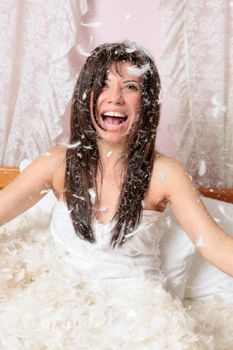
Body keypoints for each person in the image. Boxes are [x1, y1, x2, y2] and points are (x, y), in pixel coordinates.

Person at [0, 41, 232, 349]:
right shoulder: (56, 163)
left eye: (131, 86)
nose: (115, 97)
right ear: (87, 97)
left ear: (146, 102)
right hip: (62, 310)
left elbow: (215, 245)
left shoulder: (166, 173)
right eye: (103, 85)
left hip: (137, 318)